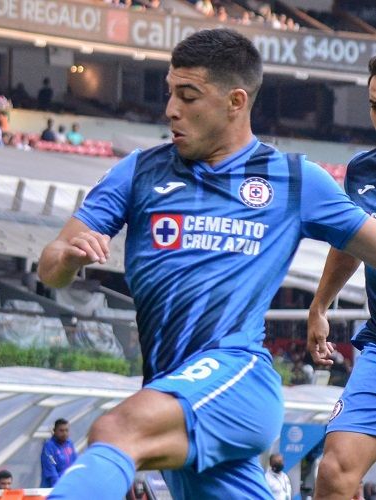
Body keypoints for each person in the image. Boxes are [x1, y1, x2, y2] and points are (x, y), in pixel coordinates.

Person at [37, 28, 376, 499]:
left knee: (117, 431)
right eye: (169, 92)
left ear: (236, 101)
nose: (170, 109)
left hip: (237, 378)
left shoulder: (294, 179)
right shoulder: (139, 171)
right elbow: (50, 266)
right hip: (173, 388)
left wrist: (322, 305)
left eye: (188, 95)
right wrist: (68, 257)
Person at [307, 56, 376, 500]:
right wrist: (320, 305)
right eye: (374, 104)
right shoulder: (364, 170)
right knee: (333, 473)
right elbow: (351, 238)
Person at [40, 419, 76, 487]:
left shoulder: (69, 444)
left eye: (66, 430)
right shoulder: (49, 447)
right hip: (53, 487)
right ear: (54, 431)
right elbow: (51, 470)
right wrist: (59, 487)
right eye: (61, 430)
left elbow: (75, 463)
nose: (64, 433)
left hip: (69, 484)